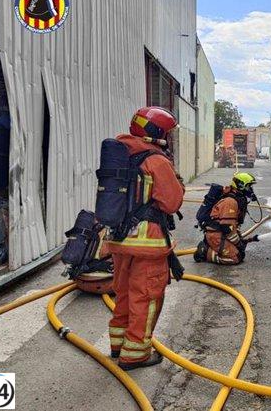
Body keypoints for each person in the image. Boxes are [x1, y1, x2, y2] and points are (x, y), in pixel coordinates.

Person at [105, 106, 184, 370]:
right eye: (167, 133)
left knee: (124, 294)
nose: (169, 139)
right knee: (146, 297)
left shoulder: (119, 153)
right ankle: (136, 353)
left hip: (118, 240)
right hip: (146, 243)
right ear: (157, 132)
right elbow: (171, 202)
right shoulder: (155, 160)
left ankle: (118, 345)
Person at [194, 172, 258, 265]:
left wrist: (244, 240)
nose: (251, 190)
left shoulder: (237, 198)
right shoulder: (230, 202)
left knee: (240, 252)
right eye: (249, 186)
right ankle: (205, 251)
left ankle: (212, 247)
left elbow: (233, 226)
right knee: (235, 258)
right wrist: (238, 243)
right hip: (216, 234)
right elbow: (227, 228)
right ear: (241, 185)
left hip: (222, 233)